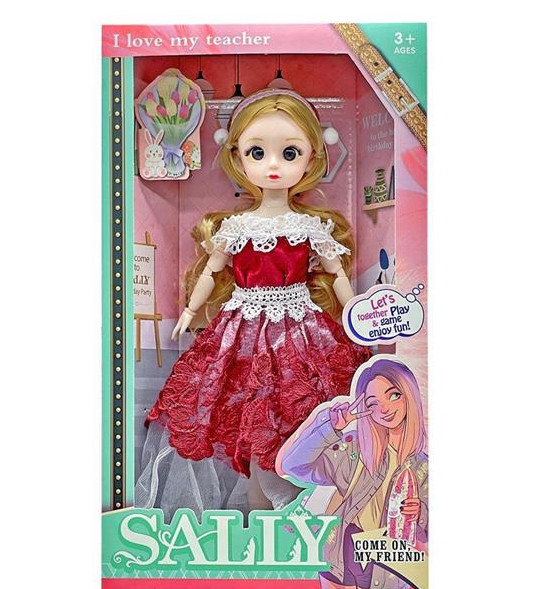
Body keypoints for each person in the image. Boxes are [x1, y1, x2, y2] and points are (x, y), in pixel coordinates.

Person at [136, 88, 372, 516]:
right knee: (244, 410)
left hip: (300, 330)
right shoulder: (237, 227)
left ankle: (292, 508)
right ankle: (257, 512)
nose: (273, 165)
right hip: (242, 329)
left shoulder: (310, 227)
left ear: (312, 158)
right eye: (258, 152)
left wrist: (360, 320)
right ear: (238, 157)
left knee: (297, 410)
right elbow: (212, 271)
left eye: (290, 152)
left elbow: (337, 275)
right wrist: (189, 311)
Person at [277, 357, 428, 589]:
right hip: (341, 551)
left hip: (387, 564)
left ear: (409, 394)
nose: (384, 409)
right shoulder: (355, 448)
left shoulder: (423, 467)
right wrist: (331, 427)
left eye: (394, 395)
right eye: (373, 403)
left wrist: (421, 513)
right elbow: (294, 465)